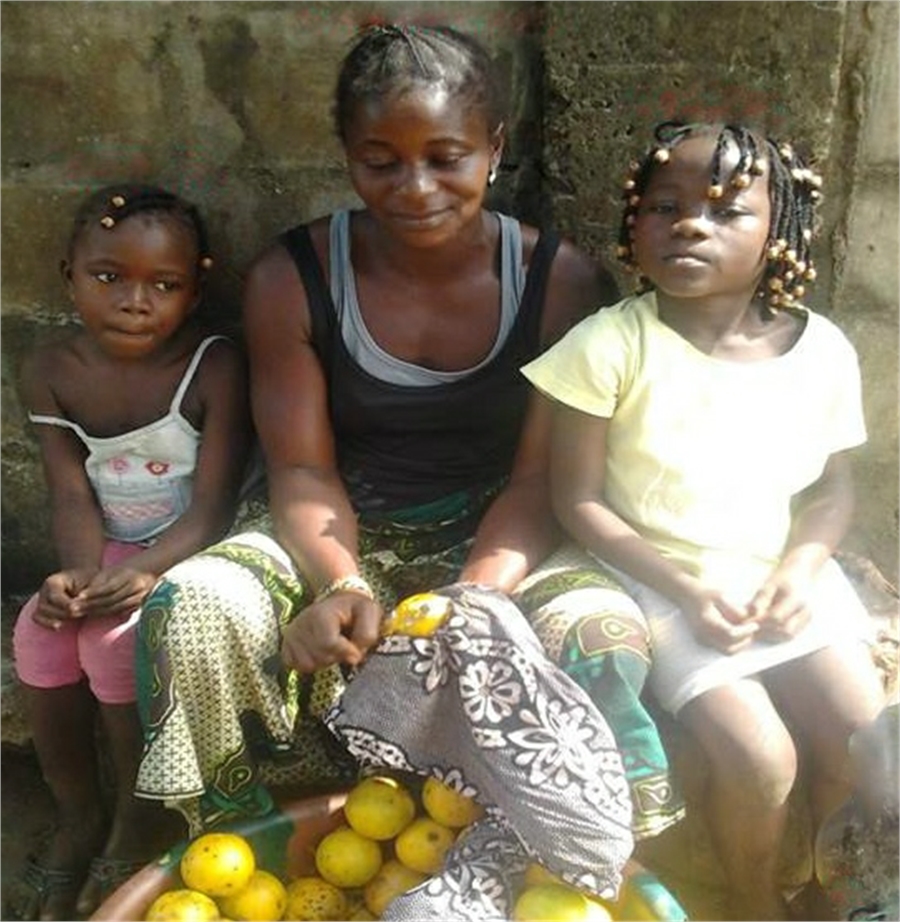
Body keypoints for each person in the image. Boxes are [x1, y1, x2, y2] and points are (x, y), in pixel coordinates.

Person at [131, 24, 670, 915]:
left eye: (446, 157)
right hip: (343, 519)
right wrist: (336, 581)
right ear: (347, 156)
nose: (415, 188)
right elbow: (301, 467)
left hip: (502, 531)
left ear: (494, 149)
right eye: (381, 160)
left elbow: (541, 483)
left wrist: (474, 602)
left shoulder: (557, 282)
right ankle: (248, 849)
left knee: (600, 631)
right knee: (194, 611)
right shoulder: (292, 277)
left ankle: (565, 858)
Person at [522, 120, 888, 920]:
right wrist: (686, 591)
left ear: (780, 235)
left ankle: (827, 902)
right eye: (666, 205)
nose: (690, 223)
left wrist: (799, 569)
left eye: (728, 210)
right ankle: (755, 906)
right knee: (760, 758)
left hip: (785, 570)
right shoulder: (609, 344)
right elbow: (576, 501)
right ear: (633, 223)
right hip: (659, 573)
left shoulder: (822, 350)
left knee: (867, 742)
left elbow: (831, 493)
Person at [11, 184, 253, 920]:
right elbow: (72, 495)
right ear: (68, 277)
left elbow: (212, 508)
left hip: (188, 550)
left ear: (196, 288)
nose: (135, 300)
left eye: (164, 284)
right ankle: (77, 811)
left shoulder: (213, 367)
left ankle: (133, 816)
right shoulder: (49, 370)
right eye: (108, 277)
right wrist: (76, 574)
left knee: (117, 647)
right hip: (110, 548)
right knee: (40, 632)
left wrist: (148, 570)